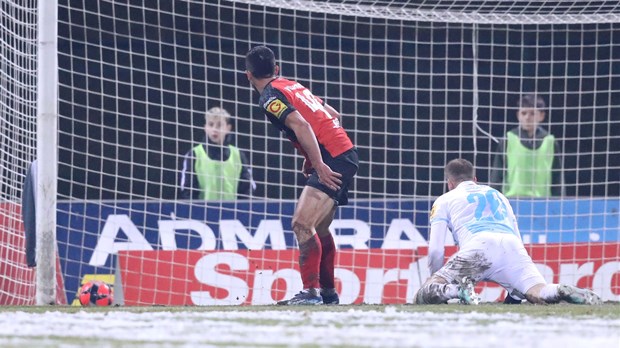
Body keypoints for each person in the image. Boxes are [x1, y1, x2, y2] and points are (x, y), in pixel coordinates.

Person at [245, 45, 359, 305]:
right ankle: (328, 294)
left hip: (333, 158)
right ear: (276, 69)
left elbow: (301, 124)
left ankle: (310, 293)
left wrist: (319, 162)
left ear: (248, 76)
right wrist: (317, 155)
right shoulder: (292, 85)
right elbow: (333, 115)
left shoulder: (269, 97)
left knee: (301, 224)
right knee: (319, 227)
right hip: (344, 153)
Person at [414, 158, 601, 305]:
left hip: (478, 246)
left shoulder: (445, 199)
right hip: (512, 246)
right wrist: (516, 294)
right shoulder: (499, 195)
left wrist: (437, 280)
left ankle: (458, 290)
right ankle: (559, 290)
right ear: (475, 179)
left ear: (450, 183)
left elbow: (436, 250)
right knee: (537, 290)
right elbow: (516, 235)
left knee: (423, 294)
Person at [490, 94, 563, 197]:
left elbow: (557, 178)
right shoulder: (508, 139)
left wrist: (560, 201)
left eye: (532, 113)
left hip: (544, 202)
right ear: (518, 115)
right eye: (523, 113)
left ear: (541, 115)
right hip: (513, 200)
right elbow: (497, 175)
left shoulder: (550, 141)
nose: (527, 117)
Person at [179, 107, 255, 200]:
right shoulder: (194, 154)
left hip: (233, 213)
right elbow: (187, 190)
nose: (214, 129)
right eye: (211, 124)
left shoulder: (238, 155)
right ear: (205, 127)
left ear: (228, 128)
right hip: (203, 212)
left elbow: (247, 189)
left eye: (219, 125)